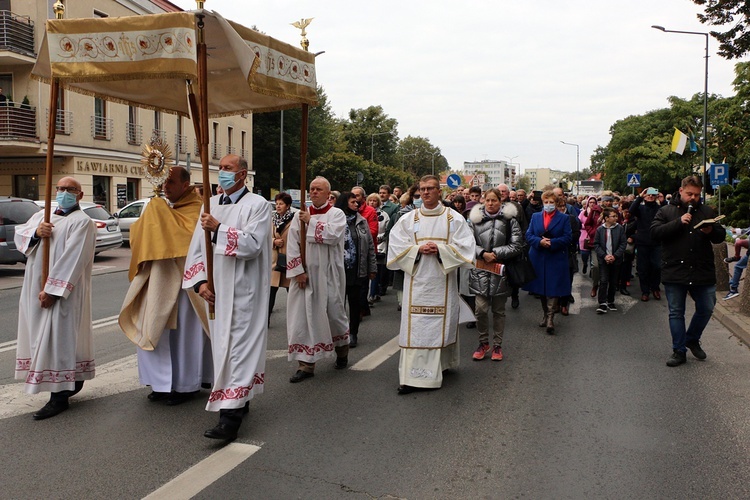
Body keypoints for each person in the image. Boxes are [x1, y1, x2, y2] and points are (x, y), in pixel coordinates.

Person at [183, 154, 270, 440]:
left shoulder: (257, 205)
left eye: (228, 169)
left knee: (239, 348)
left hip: (244, 292)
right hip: (216, 292)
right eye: (219, 168)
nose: (222, 173)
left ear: (243, 174)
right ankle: (238, 399)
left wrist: (219, 229)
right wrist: (200, 283)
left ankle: (229, 417)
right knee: (223, 348)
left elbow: (253, 245)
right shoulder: (210, 206)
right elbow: (196, 249)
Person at [119, 167, 212, 406]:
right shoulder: (162, 208)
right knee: (155, 332)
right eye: (162, 182)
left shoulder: (198, 210)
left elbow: (189, 240)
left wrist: (160, 217)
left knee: (186, 337)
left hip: (186, 287)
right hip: (159, 282)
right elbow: (139, 240)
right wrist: (153, 217)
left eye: (170, 182)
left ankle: (186, 386)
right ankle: (161, 384)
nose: (165, 187)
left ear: (185, 185)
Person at [14, 176, 97, 419]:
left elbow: (74, 260)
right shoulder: (43, 216)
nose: (63, 192)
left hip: (62, 293)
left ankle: (59, 396)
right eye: (60, 188)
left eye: (70, 189)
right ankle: (72, 381)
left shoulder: (83, 223)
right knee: (40, 337)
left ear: (80, 195)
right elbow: (21, 237)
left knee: (59, 338)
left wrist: (52, 291)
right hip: (34, 287)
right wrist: (36, 233)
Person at [387, 175, 475, 394]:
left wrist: (440, 250)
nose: (425, 193)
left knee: (440, 326)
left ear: (439, 192)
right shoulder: (409, 219)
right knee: (416, 327)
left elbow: (466, 248)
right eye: (422, 189)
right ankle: (412, 377)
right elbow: (395, 245)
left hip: (441, 282)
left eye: (430, 189)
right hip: (415, 283)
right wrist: (417, 250)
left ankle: (442, 365)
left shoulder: (453, 218)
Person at [651, 175, 725, 367]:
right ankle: (679, 351)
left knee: (707, 307)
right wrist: (679, 222)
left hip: (702, 270)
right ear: (681, 190)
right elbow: (655, 233)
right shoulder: (666, 211)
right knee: (676, 312)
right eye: (690, 194)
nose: (693, 198)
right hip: (675, 270)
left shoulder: (706, 210)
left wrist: (711, 231)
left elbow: (719, 236)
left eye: (697, 195)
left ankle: (691, 338)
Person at [285, 177, 350, 381]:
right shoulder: (300, 215)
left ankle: (342, 351)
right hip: (305, 273)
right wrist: (297, 272)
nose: (313, 192)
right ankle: (306, 365)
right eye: (311, 189)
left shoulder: (336, 214)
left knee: (333, 312)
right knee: (303, 316)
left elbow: (333, 236)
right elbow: (293, 243)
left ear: (328, 194)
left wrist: (310, 222)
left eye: (318, 189)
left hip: (329, 272)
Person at [467, 188, 523, 361]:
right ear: (483, 201)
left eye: (494, 200)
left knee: (499, 311)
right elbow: (466, 242)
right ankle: (483, 342)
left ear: (501, 202)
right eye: (488, 200)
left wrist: (496, 253)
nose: (490, 203)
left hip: (500, 272)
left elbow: (517, 245)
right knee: (480, 310)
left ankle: (497, 345)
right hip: (480, 270)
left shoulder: (509, 220)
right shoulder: (474, 220)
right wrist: (483, 253)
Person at [523, 191, 572, 334]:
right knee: (542, 289)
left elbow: (568, 237)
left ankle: (550, 318)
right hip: (538, 256)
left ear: (556, 204)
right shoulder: (536, 216)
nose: (549, 205)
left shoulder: (563, 218)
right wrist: (539, 241)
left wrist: (552, 242)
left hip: (555, 257)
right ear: (542, 203)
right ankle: (545, 314)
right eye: (546, 202)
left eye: (551, 202)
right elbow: (528, 235)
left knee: (553, 287)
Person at [336, 192, 377, 347]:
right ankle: (338, 333)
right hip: (338, 269)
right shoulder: (335, 221)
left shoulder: (361, 221)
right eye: (353, 201)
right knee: (337, 305)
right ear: (344, 203)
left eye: (357, 202)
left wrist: (372, 268)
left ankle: (353, 333)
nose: (357, 204)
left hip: (356, 269)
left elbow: (370, 247)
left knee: (355, 303)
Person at [497, 183, 528, 309]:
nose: (502, 193)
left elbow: (523, 225)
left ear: (508, 193)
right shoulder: (492, 205)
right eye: (499, 191)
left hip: (512, 244)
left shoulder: (516, 207)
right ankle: (499, 296)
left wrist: (522, 242)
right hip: (498, 245)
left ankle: (515, 295)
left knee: (513, 272)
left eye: (504, 191)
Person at [630, 187, 662, 301]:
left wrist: (661, 198)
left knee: (657, 266)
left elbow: (667, 211)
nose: (650, 196)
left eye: (653, 195)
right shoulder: (640, 208)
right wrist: (640, 197)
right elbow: (631, 210)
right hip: (642, 242)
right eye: (648, 195)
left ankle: (655, 288)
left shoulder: (659, 209)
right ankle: (645, 291)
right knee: (643, 268)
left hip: (656, 242)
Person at [593, 207, 627, 314]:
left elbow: (623, 243)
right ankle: (602, 303)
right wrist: (605, 256)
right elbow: (596, 245)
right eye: (613, 216)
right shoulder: (600, 229)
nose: (616, 218)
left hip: (616, 260)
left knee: (613, 281)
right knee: (603, 280)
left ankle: (610, 300)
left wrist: (615, 256)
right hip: (604, 260)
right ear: (606, 218)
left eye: (616, 216)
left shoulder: (619, 228)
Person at [270, 192, 294, 322]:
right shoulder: (272, 219)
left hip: (289, 260)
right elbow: (264, 237)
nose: (278, 206)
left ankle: (295, 320)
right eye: (277, 204)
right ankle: (265, 321)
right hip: (274, 261)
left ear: (288, 205)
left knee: (292, 293)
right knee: (270, 292)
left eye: (281, 204)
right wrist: (274, 241)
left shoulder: (294, 219)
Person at [558, 195, 581, 316]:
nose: (561, 208)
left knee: (568, 279)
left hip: (568, 252)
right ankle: (556, 302)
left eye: (563, 206)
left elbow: (577, 233)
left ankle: (564, 304)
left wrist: (564, 240)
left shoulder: (571, 218)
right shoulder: (552, 219)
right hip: (556, 253)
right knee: (557, 279)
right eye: (559, 206)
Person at [366, 192, 390, 302]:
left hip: (380, 243)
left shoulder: (383, 215)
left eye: (374, 201)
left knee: (376, 269)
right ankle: (370, 294)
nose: (372, 202)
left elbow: (386, 228)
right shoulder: (363, 213)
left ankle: (374, 292)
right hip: (369, 243)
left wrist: (381, 237)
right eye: (370, 200)